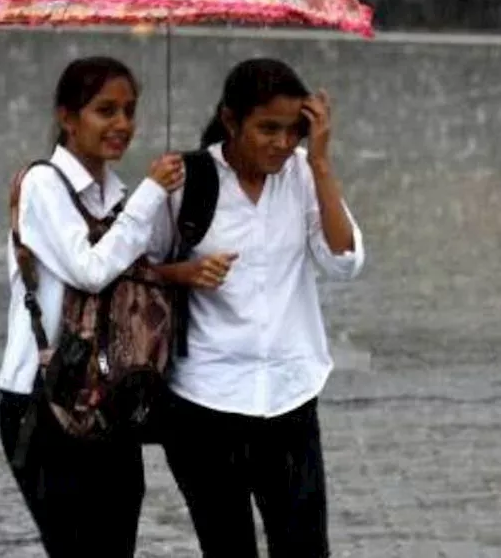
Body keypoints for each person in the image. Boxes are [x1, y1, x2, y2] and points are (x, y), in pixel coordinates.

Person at [153, 58, 366, 558]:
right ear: (231, 121)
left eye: (292, 130)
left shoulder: (301, 175)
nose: (280, 142)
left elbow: (345, 261)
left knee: (304, 547)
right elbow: (132, 269)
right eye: (267, 128)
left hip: (290, 399)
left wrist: (320, 161)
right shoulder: (190, 180)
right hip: (205, 404)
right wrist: (183, 273)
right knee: (227, 548)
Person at [0, 57, 186, 557]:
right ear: (67, 117)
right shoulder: (42, 186)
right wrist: (149, 197)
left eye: (129, 111)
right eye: (106, 110)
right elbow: (91, 269)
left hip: (110, 400)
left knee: (116, 544)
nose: (122, 124)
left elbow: (135, 277)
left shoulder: (119, 195)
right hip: (44, 400)